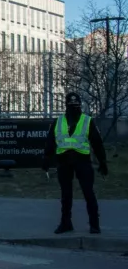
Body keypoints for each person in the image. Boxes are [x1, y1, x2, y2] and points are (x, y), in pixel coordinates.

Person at [42, 92, 108, 235]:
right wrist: (46, 158)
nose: (74, 109)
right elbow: (50, 142)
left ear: (80, 106)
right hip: (64, 162)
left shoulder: (87, 121)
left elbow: (97, 142)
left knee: (88, 192)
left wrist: (102, 161)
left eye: (76, 106)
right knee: (66, 195)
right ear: (66, 106)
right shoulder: (58, 122)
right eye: (71, 106)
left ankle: (94, 224)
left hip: (82, 161)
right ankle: (66, 223)